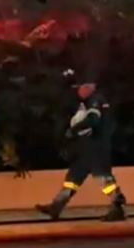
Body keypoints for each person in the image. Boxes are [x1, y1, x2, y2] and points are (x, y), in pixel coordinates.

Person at [35, 79, 127, 222]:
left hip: (95, 148)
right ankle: (56, 207)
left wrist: (73, 131)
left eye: (80, 88)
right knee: (72, 179)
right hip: (86, 149)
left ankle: (117, 207)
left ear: (89, 87)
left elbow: (93, 120)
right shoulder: (88, 102)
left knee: (103, 178)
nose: (78, 92)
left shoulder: (95, 100)